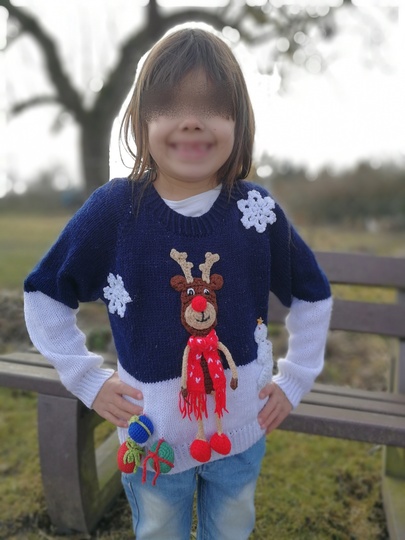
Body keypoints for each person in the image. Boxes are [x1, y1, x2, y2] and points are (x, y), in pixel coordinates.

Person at [24, 26, 332, 540]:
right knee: (159, 530)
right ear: (142, 120)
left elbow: (312, 294)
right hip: (153, 440)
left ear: (239, 122)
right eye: (170, 106)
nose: (192, 120)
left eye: (213, 107)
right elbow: (44, 294)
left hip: (241, 433)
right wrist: (87, 379)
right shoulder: (115, 211)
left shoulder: (256, 212)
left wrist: (295, 378)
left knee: (231, 526)